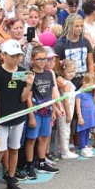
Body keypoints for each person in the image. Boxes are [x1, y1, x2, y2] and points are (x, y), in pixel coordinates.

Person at [0, 39, 29, 189]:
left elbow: (23, 98)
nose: (16, 59)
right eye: (13, 56)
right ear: (4, 55)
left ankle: (11, 178)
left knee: (14, 148)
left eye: (18, 55)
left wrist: (29, 85)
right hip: (2, 119)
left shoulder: (22, 72)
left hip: (18, 117)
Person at [21, 45, 62, 175]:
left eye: (45, 59)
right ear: (32, 59)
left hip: (47, 111)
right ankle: (29, 165)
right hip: (35, 112)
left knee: (44, 138)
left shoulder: (49, 73)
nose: (42, 62)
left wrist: (54, 109)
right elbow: (28, 97)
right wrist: (31, 116)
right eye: (39, 59)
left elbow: (51, 94)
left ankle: (42, 162)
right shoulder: (29, 75)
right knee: (31, 139)